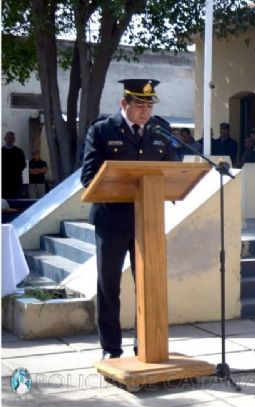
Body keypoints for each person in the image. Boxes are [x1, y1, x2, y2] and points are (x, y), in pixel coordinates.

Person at [81, 79, 177, 360]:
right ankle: (111, 348)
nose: (145, 111)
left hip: (147, 220)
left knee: (148, 285)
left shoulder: (160, 129)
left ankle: (145, 343)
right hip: (111, 221)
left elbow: (172, 171)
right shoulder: (102, 130)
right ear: (124, 104)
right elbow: (88, 178)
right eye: (139, 105)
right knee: (109, 285)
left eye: (149, 105)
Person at [2, 131, 26, 199]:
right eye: (8, 138)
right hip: (3, 182)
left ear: (14, 140)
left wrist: (14, 172)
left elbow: (23, 165)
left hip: (15, 182)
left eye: (12, 138)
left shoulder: (19, 151)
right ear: (5, 139)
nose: (10, 140)